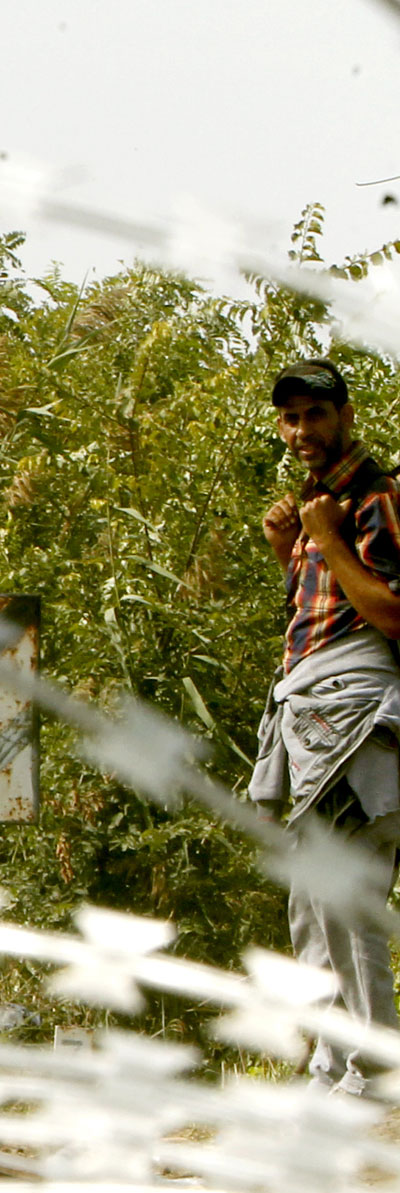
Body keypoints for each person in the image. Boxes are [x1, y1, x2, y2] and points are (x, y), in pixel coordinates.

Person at [250, 357, 400, 1095]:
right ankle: (332, 1061)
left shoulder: (374, 499)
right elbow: (324, 617)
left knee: (348, 895)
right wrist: (294, 550)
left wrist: (329, 540)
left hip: (355, 719)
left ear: (344, 416)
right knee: (312, 900)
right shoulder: (318, 508)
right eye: (291, 417)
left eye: (315, 414)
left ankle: (376, 1068)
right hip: (308, 716)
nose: (303, 429)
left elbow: (393, 615)